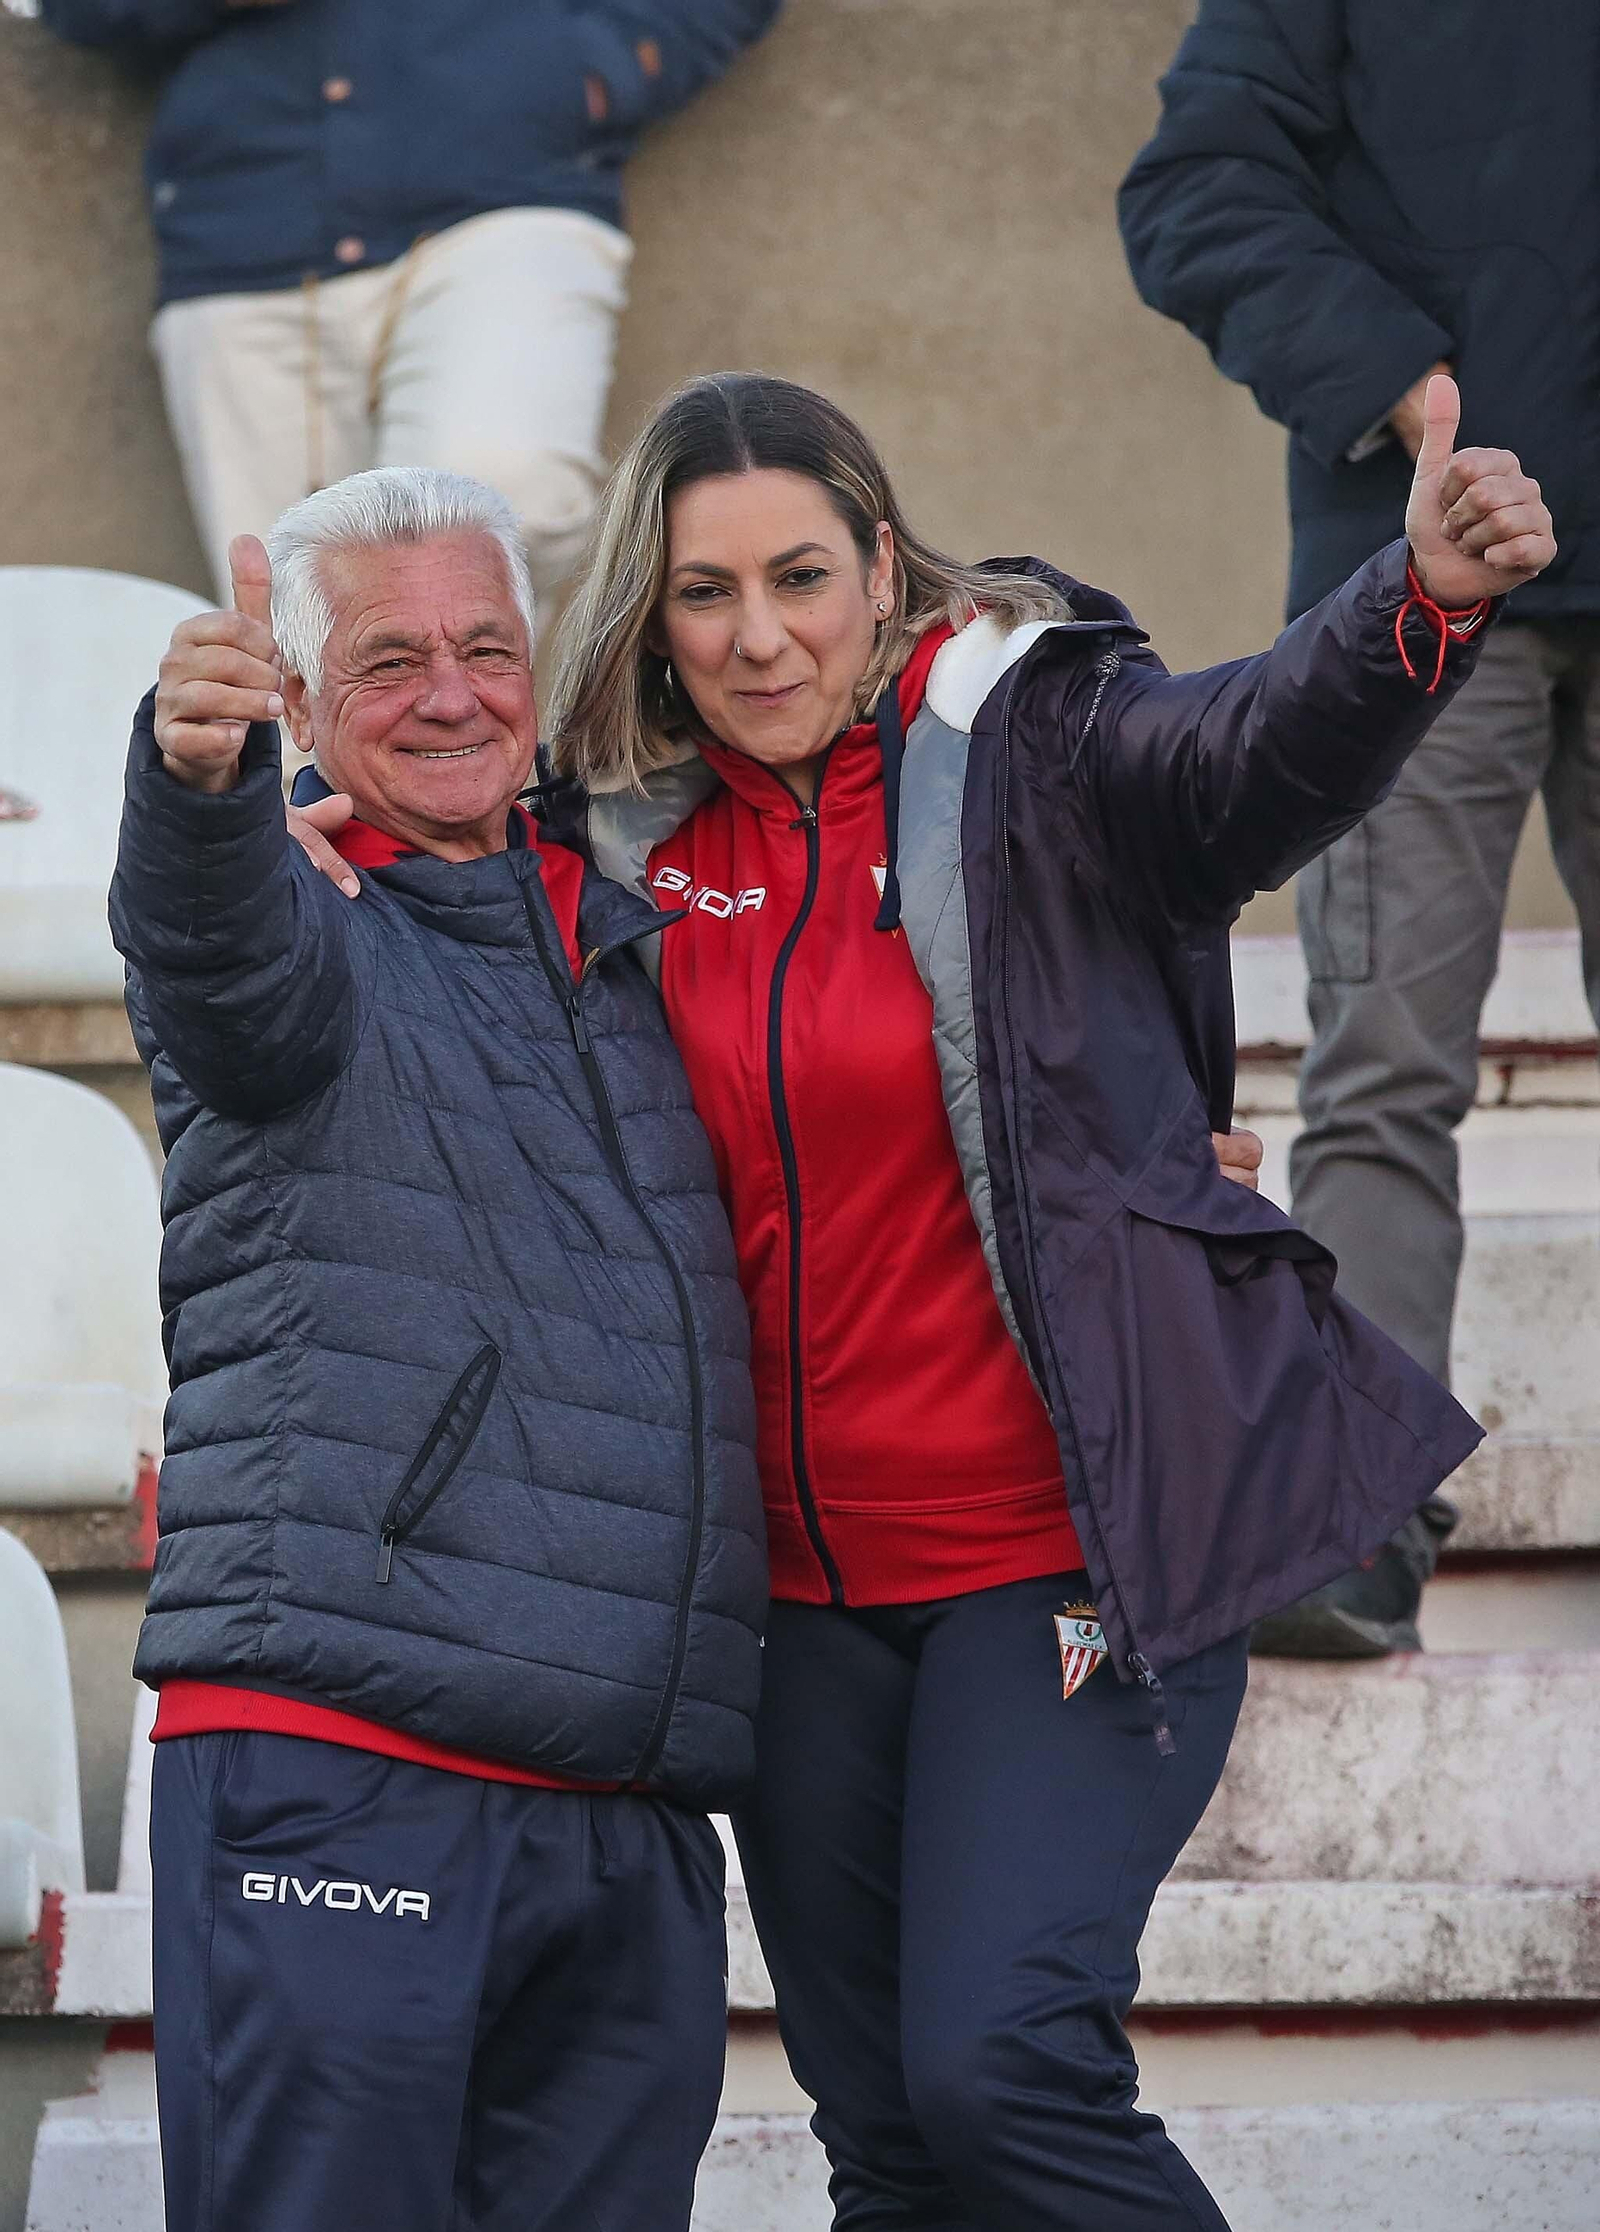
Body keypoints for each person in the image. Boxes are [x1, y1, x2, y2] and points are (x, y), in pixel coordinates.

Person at [514, 368, 1542, 2230]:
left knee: (1001, 2070)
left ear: (882, 562)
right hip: (795, 1604)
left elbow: (1250, 747)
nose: (760, 638)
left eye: (802, 577)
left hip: (1058, 1556)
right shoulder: (611, 847)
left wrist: (1421, 602)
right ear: (649, 621)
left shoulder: (1032, 747)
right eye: (705, 593)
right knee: (887, 2149)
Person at [109, 467, 766, 2232]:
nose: (456, 692)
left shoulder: (639, 934)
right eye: (391, 661)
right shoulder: (304, 909)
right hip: (349, 1758)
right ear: (307, 705)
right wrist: (199, 781)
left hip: (625, 1800)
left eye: (488, 647)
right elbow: (208, 948)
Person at [1117, 0, 1600, 1656]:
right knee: (1387, 1063)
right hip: (1429, 585)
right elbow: (1192, 186)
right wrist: (1408, 389)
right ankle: (1351, 1519)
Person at [41, 0, 780, 607]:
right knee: (289, 607)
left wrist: (593, 73)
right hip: (246, 227)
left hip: (500, 193)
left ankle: (476, 764)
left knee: (500, 490)